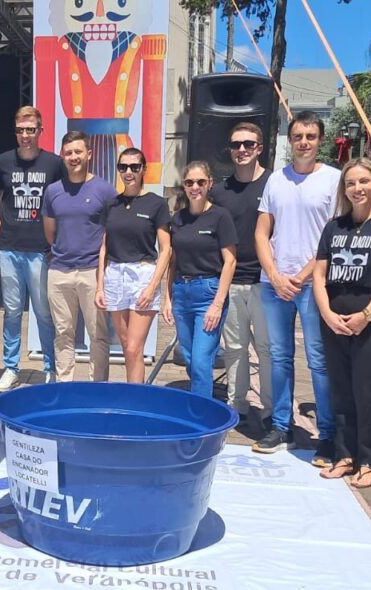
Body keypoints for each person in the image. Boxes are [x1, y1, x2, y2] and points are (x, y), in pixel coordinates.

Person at [251, 111, 340, 466]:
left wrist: (302, 277)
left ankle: (327, 434)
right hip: (275, 284)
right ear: (290, 141)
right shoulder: (276, 179)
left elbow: (333, 238)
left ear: (321, 140)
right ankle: (280, 426)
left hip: (313, 284)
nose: (304, 142)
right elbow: (262, 233)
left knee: (318, 360)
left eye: (310, 136)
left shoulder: (333, 179)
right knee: (279, 357)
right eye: (298, 136)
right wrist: (274, 274)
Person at [312, 159, 371, 489]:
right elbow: (319, 274)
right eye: (350, 183)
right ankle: (344, 455)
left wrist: (366, 315)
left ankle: (368, 460)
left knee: (367, 391)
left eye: (364, 181)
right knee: (340, 390)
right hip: (335, 319)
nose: (357, 188)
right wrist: (327, 313)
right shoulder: (334, 227)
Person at [0, 106, 63, 390]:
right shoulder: (2, 161)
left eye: (30, 130)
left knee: (44, 312)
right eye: (20, 130)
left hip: (40, 250)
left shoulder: (54, 164)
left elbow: (60, 205)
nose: (25, 135)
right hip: (9, 249)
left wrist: (54, 243)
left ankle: (50, 368)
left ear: (40, 131)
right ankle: (11, 368)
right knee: (11, 311)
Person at [210, 122, 274, 429]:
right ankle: (237, 406)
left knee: (267, 350)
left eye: (248, 144)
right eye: (236, 144)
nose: (242, 150)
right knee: (235, 350)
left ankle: (272, 411)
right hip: (231, 282)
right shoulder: (219, 192)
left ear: (259, 148)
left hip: (265, 282)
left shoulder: (274, 185)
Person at [43, 130, 116, 383]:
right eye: (69, 153)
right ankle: (65, 386)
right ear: (62, 156)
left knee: (98, 334)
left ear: (89, 154)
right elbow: (50, 232)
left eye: (78, 152)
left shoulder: (105, 190)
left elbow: (111, 232)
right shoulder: (53, 191)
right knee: (63, 332)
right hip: (59, 271)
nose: (73, 157)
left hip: (92, 271)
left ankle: (98, 387)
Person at [96, 148, 171, 384]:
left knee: (134, 348)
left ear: (143, 170)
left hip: (142, 274)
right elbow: (104, 248)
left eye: (134, 167)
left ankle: (136, 398)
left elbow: (166, 249)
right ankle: (133, 393)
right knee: (126, 344)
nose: (128, 172)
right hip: (114, 274)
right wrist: (100, 286)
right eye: (123, 167)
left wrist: (152, 287)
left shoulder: (156, 204)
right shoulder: (112, 204)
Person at [162, 161, 237, 397]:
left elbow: (230, 261)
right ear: (184, 186)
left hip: (208, 293)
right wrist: (167, 298)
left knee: (201, 360)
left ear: (209, 184)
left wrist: (217, 304)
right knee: (189, 357)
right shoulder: (178, 219)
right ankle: (200, 400)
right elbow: (173, 261)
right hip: (181, 292)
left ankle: (201, 415)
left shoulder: (220, 216)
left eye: (200, 182)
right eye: (190, 182)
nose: (195, 187)